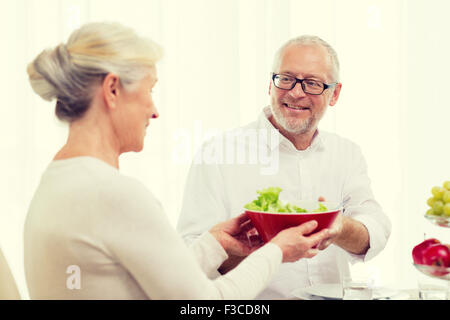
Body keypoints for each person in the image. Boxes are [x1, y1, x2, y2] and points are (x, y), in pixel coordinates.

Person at [23, 22, 330, 300]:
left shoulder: (58, 180)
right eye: (150, 89)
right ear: (113, 89)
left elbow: (154, 282)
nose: (154, 110)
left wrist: (215, 244)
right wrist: (278, 250)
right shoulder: (115, 195)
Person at [177, 35, 392, 299]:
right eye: (286, 79)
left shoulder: (346, 153)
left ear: (334, 94)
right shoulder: (218, 154)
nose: (296, 92)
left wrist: (339, 227)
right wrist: (256, 249)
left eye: (312, 83)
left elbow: (376, 230)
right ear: (270, 84)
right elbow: (191, 258)